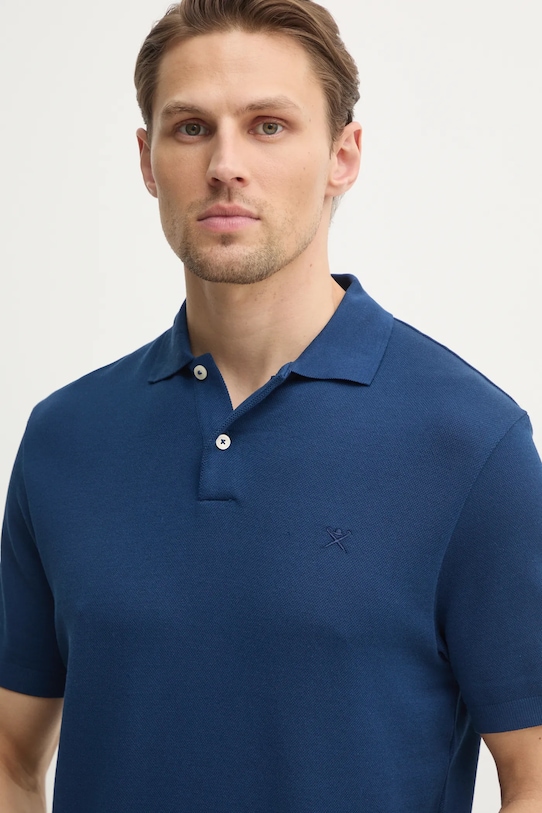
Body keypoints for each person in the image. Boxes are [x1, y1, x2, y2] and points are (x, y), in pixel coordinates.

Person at [1, 0, 541, 810]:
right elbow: (11, 755)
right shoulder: (63, 439)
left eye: (268, 126)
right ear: (148, 160)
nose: (226, 164)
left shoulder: (472, 443)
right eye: (191, 128)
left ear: (343, 156)